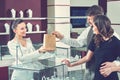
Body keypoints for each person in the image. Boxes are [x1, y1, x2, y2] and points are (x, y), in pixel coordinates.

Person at [52, 5, 120, 80]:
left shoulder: (115, 39)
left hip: (107, 74)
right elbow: (79, 44)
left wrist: (114, 66)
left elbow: (117, 60)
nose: (88, 21)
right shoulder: (94, 36)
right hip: (90, 71)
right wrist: (62, 38)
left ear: (98, 18)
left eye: (89, 19)